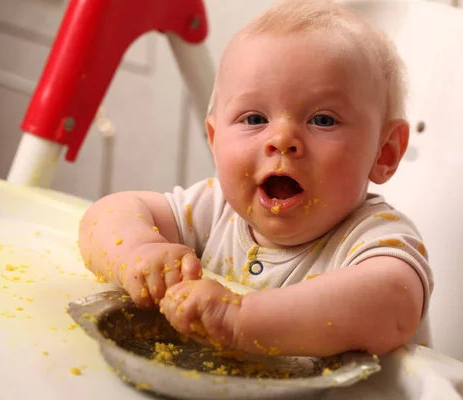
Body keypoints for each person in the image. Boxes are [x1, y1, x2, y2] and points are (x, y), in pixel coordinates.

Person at [78, 0, 433, 358]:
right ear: (215, 142)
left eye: (323, 120)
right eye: (254, 119)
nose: (281, 139)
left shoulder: (373, 237)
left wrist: (241, 319)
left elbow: (392, 306)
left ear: (383, 152)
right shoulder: (213, 211)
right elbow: (106, 214)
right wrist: (139, 253)